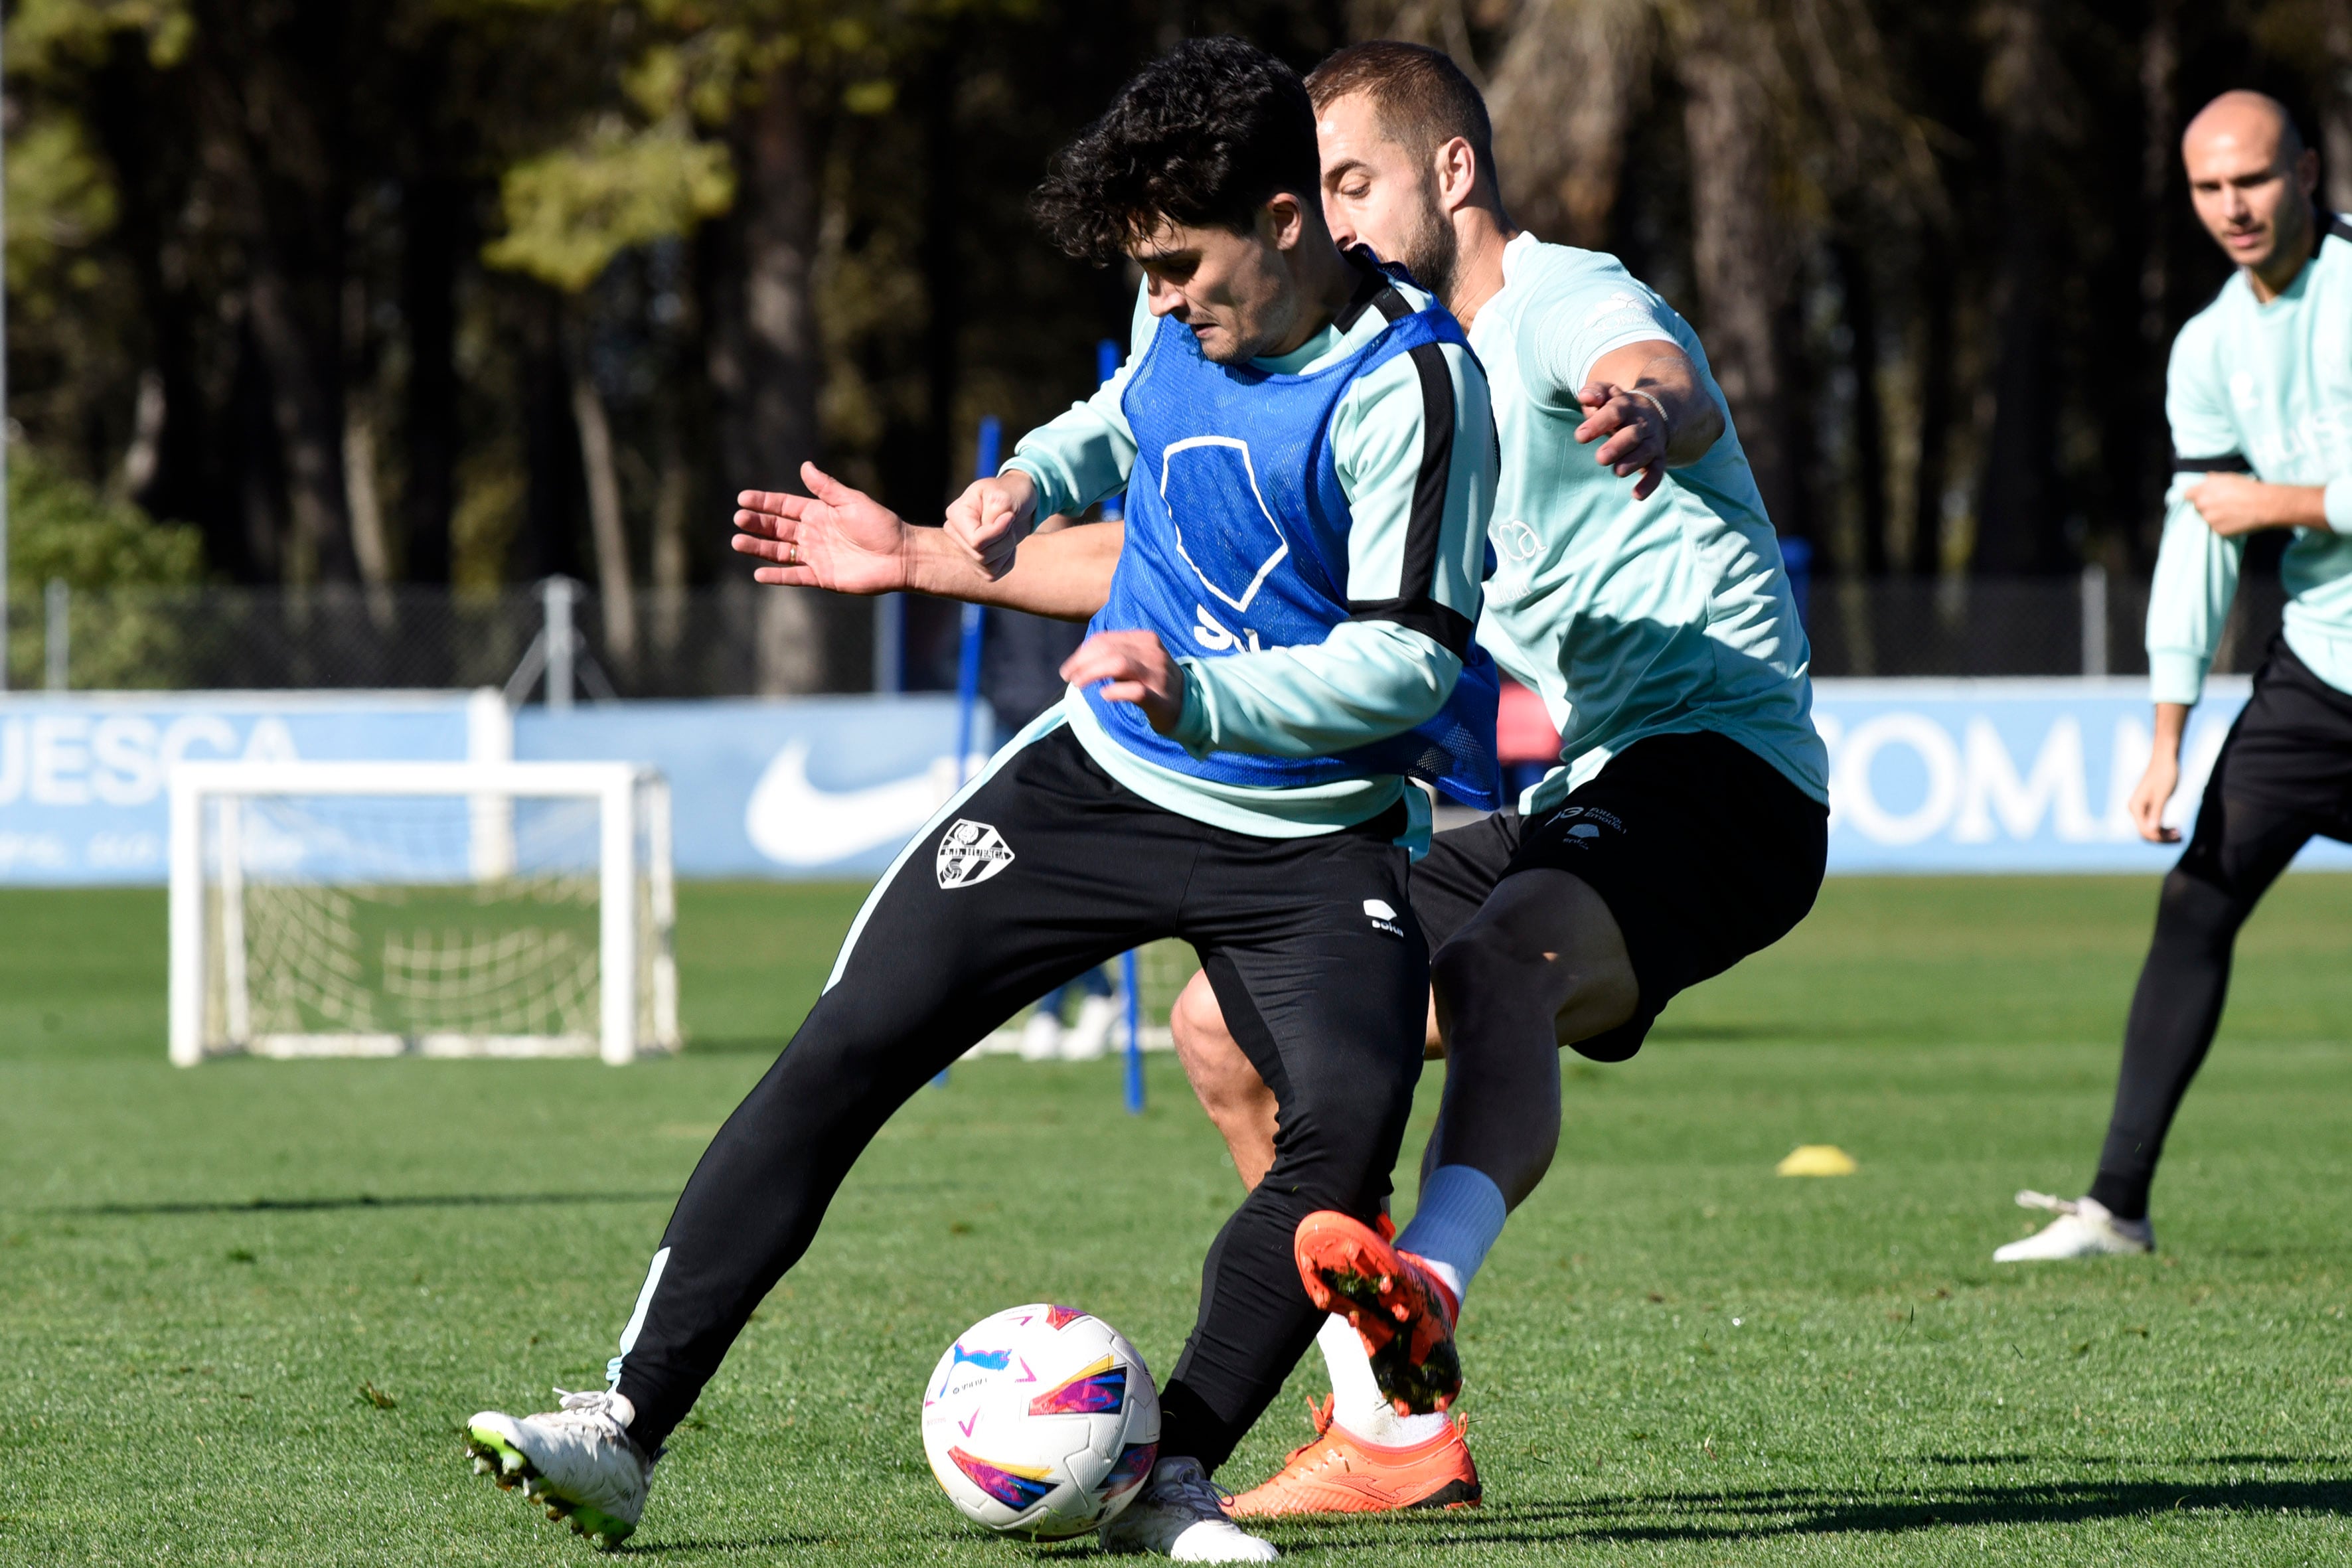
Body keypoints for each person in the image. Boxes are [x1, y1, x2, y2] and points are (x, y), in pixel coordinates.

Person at [460, 38, 1500, 1565]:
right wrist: (1026, 477)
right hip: (1098, 783)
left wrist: (1201, 691)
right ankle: (622, 1427)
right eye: (1140, 273)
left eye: (1176, 266)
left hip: (1312, 830)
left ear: (1288, 223)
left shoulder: (1415, 389)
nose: (1157, 300)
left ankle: (1173, 1475)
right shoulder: (1182, 319)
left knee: (1339, 1143)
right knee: (844, 1045)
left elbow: (1406, 669)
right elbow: (1127, 412)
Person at [1162, 41, 1828, 1514]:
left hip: (1727, 774)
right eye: (1308, 190)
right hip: (1590, 788)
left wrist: (1648, 411)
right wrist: (939, 557)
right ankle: (1386, 1431)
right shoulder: (1404, 387)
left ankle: (1430, 1293)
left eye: (1350, 180)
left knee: (1492, 960)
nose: (1324, 219)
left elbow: (1650, 371)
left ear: (1450, 172)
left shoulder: (1555, 304)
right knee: (1221, 1018)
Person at [1996, 91, 2352, 1263]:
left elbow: (2252, 508)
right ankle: (2118, 1205)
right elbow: (2202, 538)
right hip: (2319, 676)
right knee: (2197, 898)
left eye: (2252, 178)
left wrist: (2288, 505)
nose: (2232, 207)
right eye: (2209, 188)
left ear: (2307, 170)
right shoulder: (2207, 345)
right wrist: (2167, 736)